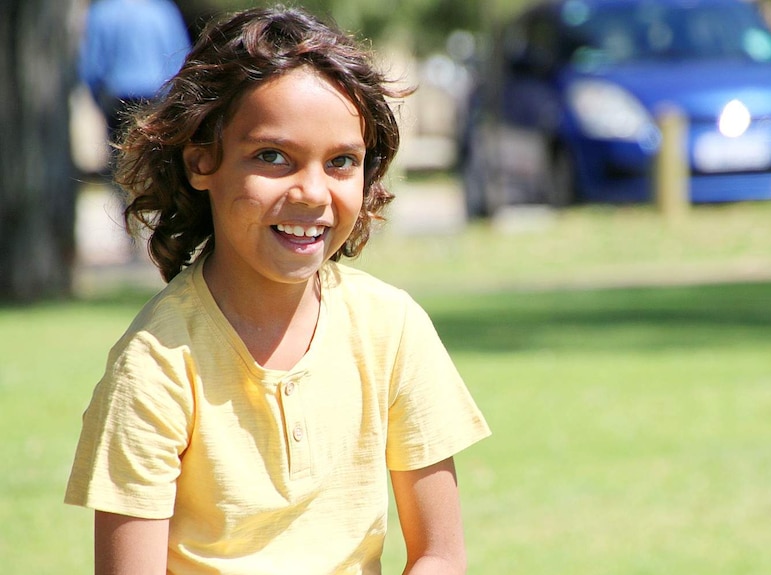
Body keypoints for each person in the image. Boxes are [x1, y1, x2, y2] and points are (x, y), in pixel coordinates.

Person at [64, 5, 491, 574]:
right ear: (202, 162)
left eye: (342, 162)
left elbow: (440, 554)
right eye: (273, 157)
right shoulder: (156, 365)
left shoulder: (391, 327)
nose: (313, 193)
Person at [78, 0, 191, 144]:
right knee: (155, 152)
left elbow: (93, 66)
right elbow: (180, 58)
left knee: (122, 152)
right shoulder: (163, 11)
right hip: (157, 96)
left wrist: (97, 99)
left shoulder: (101, 12)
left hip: (119, 98)